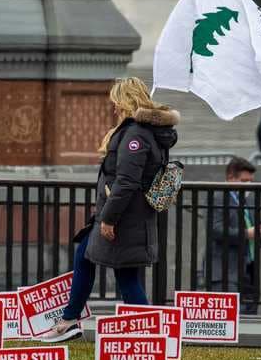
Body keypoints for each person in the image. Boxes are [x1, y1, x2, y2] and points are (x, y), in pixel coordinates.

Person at [40, 77, 179, 343]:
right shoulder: (147, 132)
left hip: (123, 218)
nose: (114, 108)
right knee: (92, 260)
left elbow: (126, 181)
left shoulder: (135, 135)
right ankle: (75, 320)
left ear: (126, 101)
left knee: (121, 274)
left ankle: (146, 335)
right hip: (130, 216)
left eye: (116, 102)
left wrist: (108, 219)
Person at [208, 157, 261, 314]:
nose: (248, 185)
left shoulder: (249, 199)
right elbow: (216, 230)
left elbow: (255, 225)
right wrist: (247, 233)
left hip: (249, 267)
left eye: (250, 181)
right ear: (230, 178)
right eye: (244, 180)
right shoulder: (219, 197)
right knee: (231, 317)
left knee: (250, 314)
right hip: (227, 268)